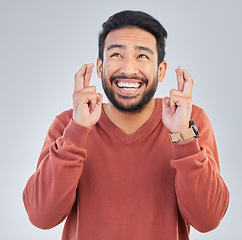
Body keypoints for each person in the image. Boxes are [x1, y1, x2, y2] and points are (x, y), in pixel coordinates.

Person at [23, 10, 229, 240]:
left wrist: (183, 137)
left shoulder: (190, 122)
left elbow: (208, 220)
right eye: (116, 55)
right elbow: (41, 216)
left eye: (142, 56)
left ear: (160, 71)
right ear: (100, 68)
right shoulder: (68, 125)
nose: (129, 69)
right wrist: (77, 130)